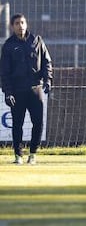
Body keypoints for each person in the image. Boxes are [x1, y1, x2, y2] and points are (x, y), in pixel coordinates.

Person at [0, 13, 53, 165]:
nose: (20, 25)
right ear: (12, 26)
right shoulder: (8, 45)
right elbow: (4, 72)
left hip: (36, 90)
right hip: (17, 91)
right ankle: (18, 155)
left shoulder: (37, 41)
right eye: (17, 23)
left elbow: (47, 63)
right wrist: (8, 92)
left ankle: (33, 154)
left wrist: (48, 80)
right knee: (17, 123)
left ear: (26, 24)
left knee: (38, 123)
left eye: (23, 22)